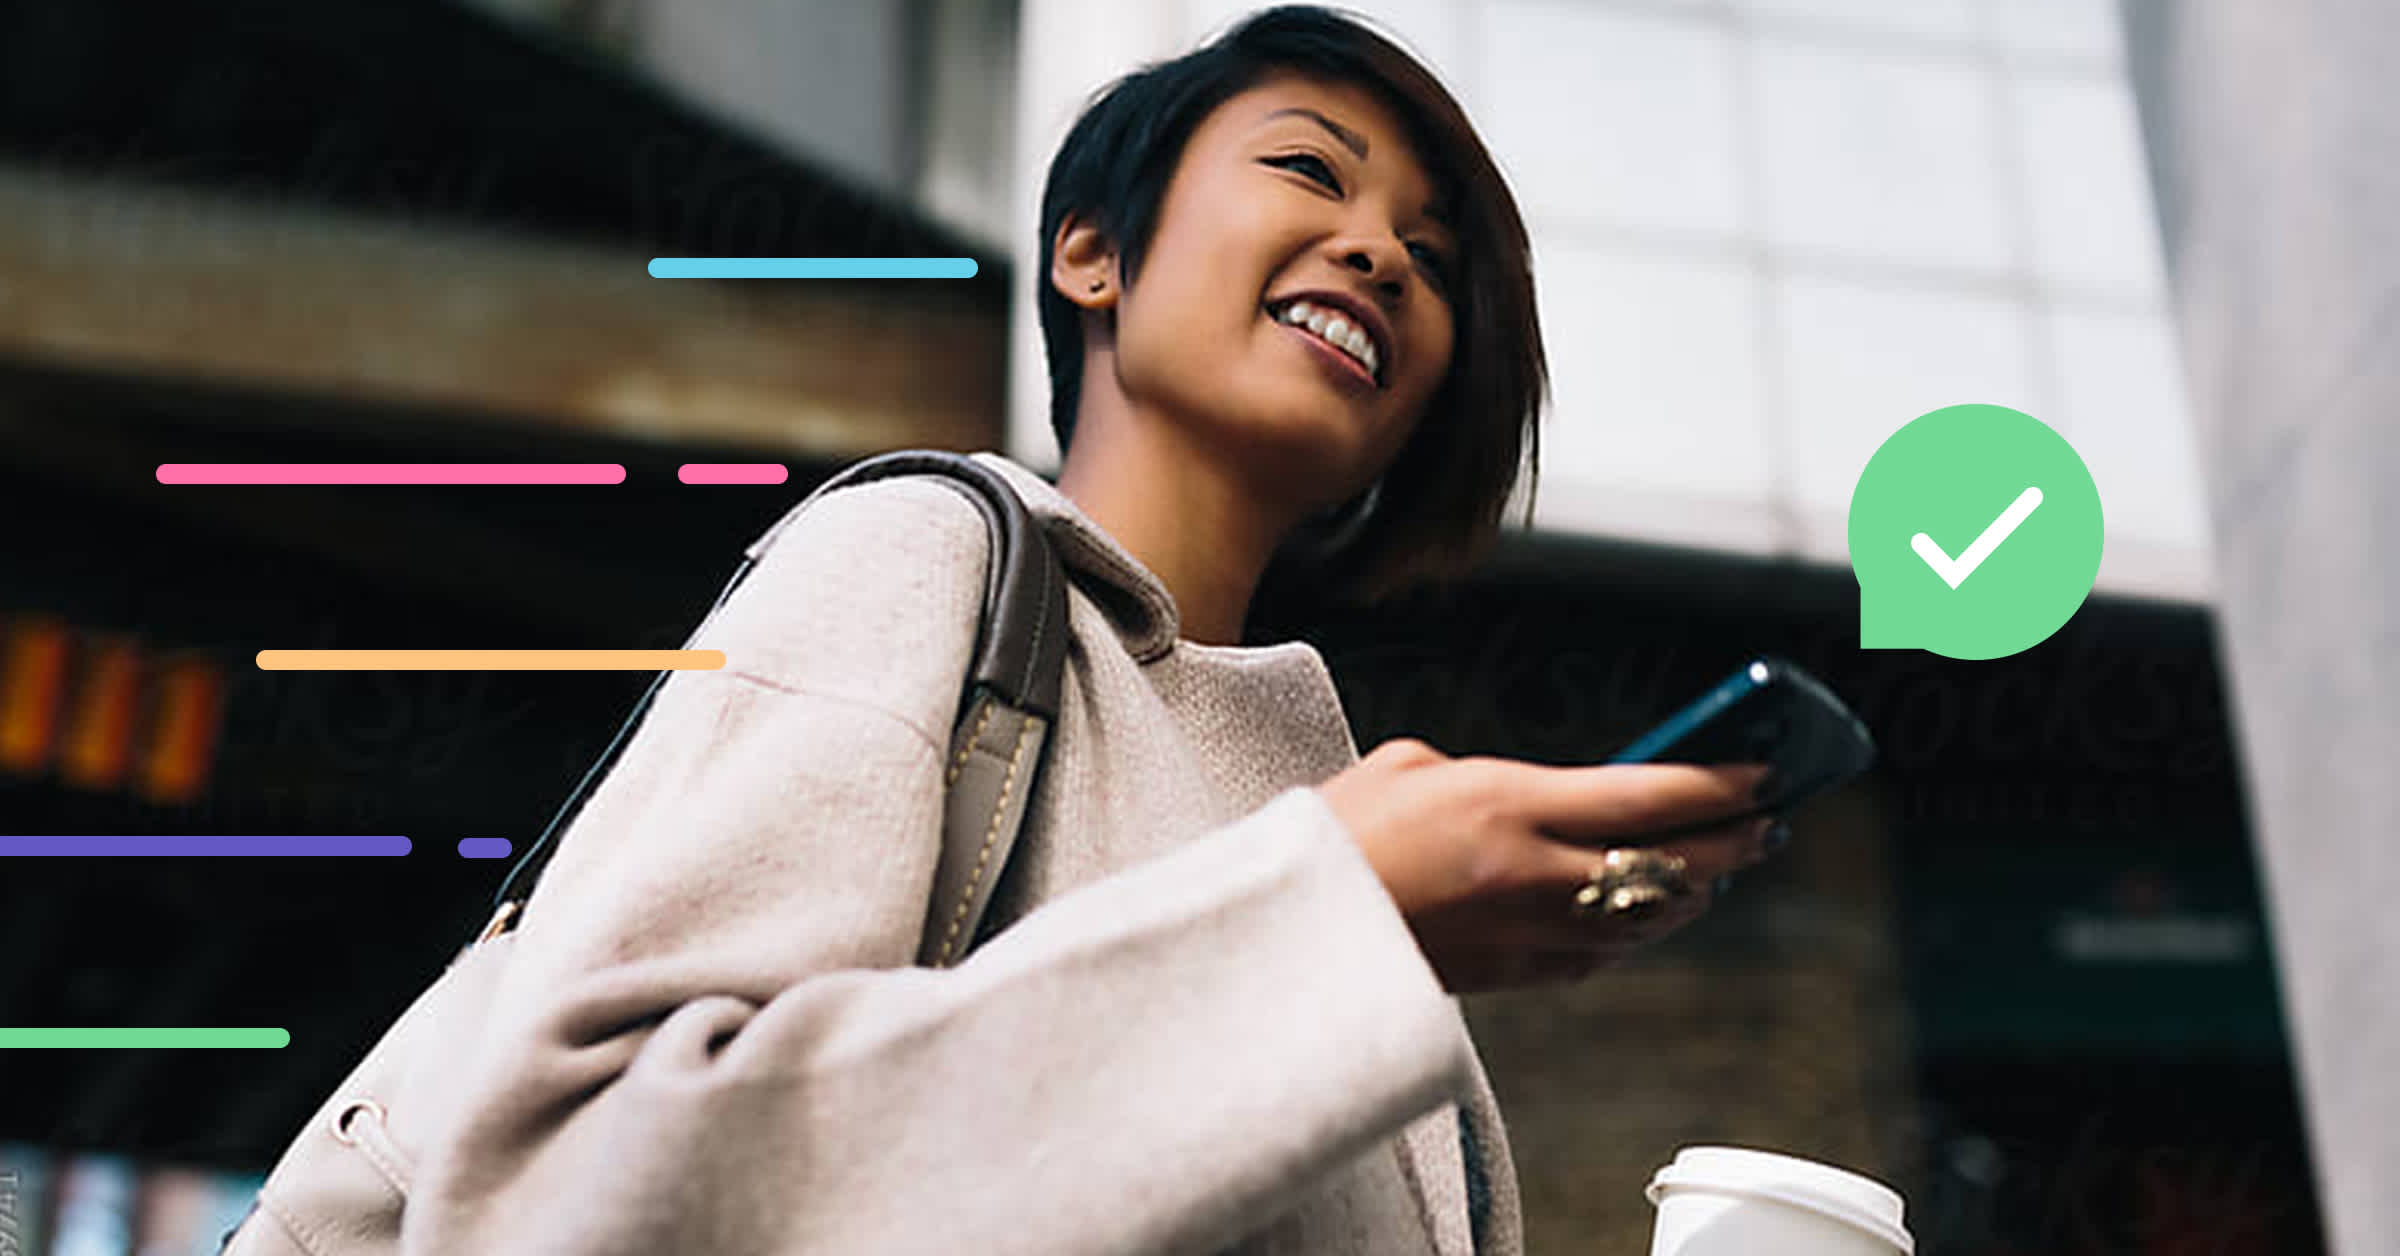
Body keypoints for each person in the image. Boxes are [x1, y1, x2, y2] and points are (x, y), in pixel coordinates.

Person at [371, 8, 1788, 1255]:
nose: (1382, 253)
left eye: (1430, 255)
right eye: (1311, 170)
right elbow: (570, 1201)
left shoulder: (1412, 1005)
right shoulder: (924, 559)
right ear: (1094, 253)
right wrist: (1328, 917)